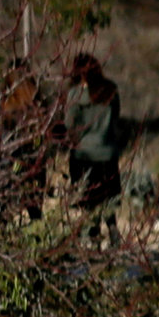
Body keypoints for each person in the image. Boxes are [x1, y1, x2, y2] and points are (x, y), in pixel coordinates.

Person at [60, 54, 123, 221]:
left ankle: (93, 235)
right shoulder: (111, 89)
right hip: (108, 152)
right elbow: (116, 118)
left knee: (89, 199)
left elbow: (69, 124)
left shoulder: (75, 94)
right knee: (108, 198)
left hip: (84, 154)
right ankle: (113, 230)